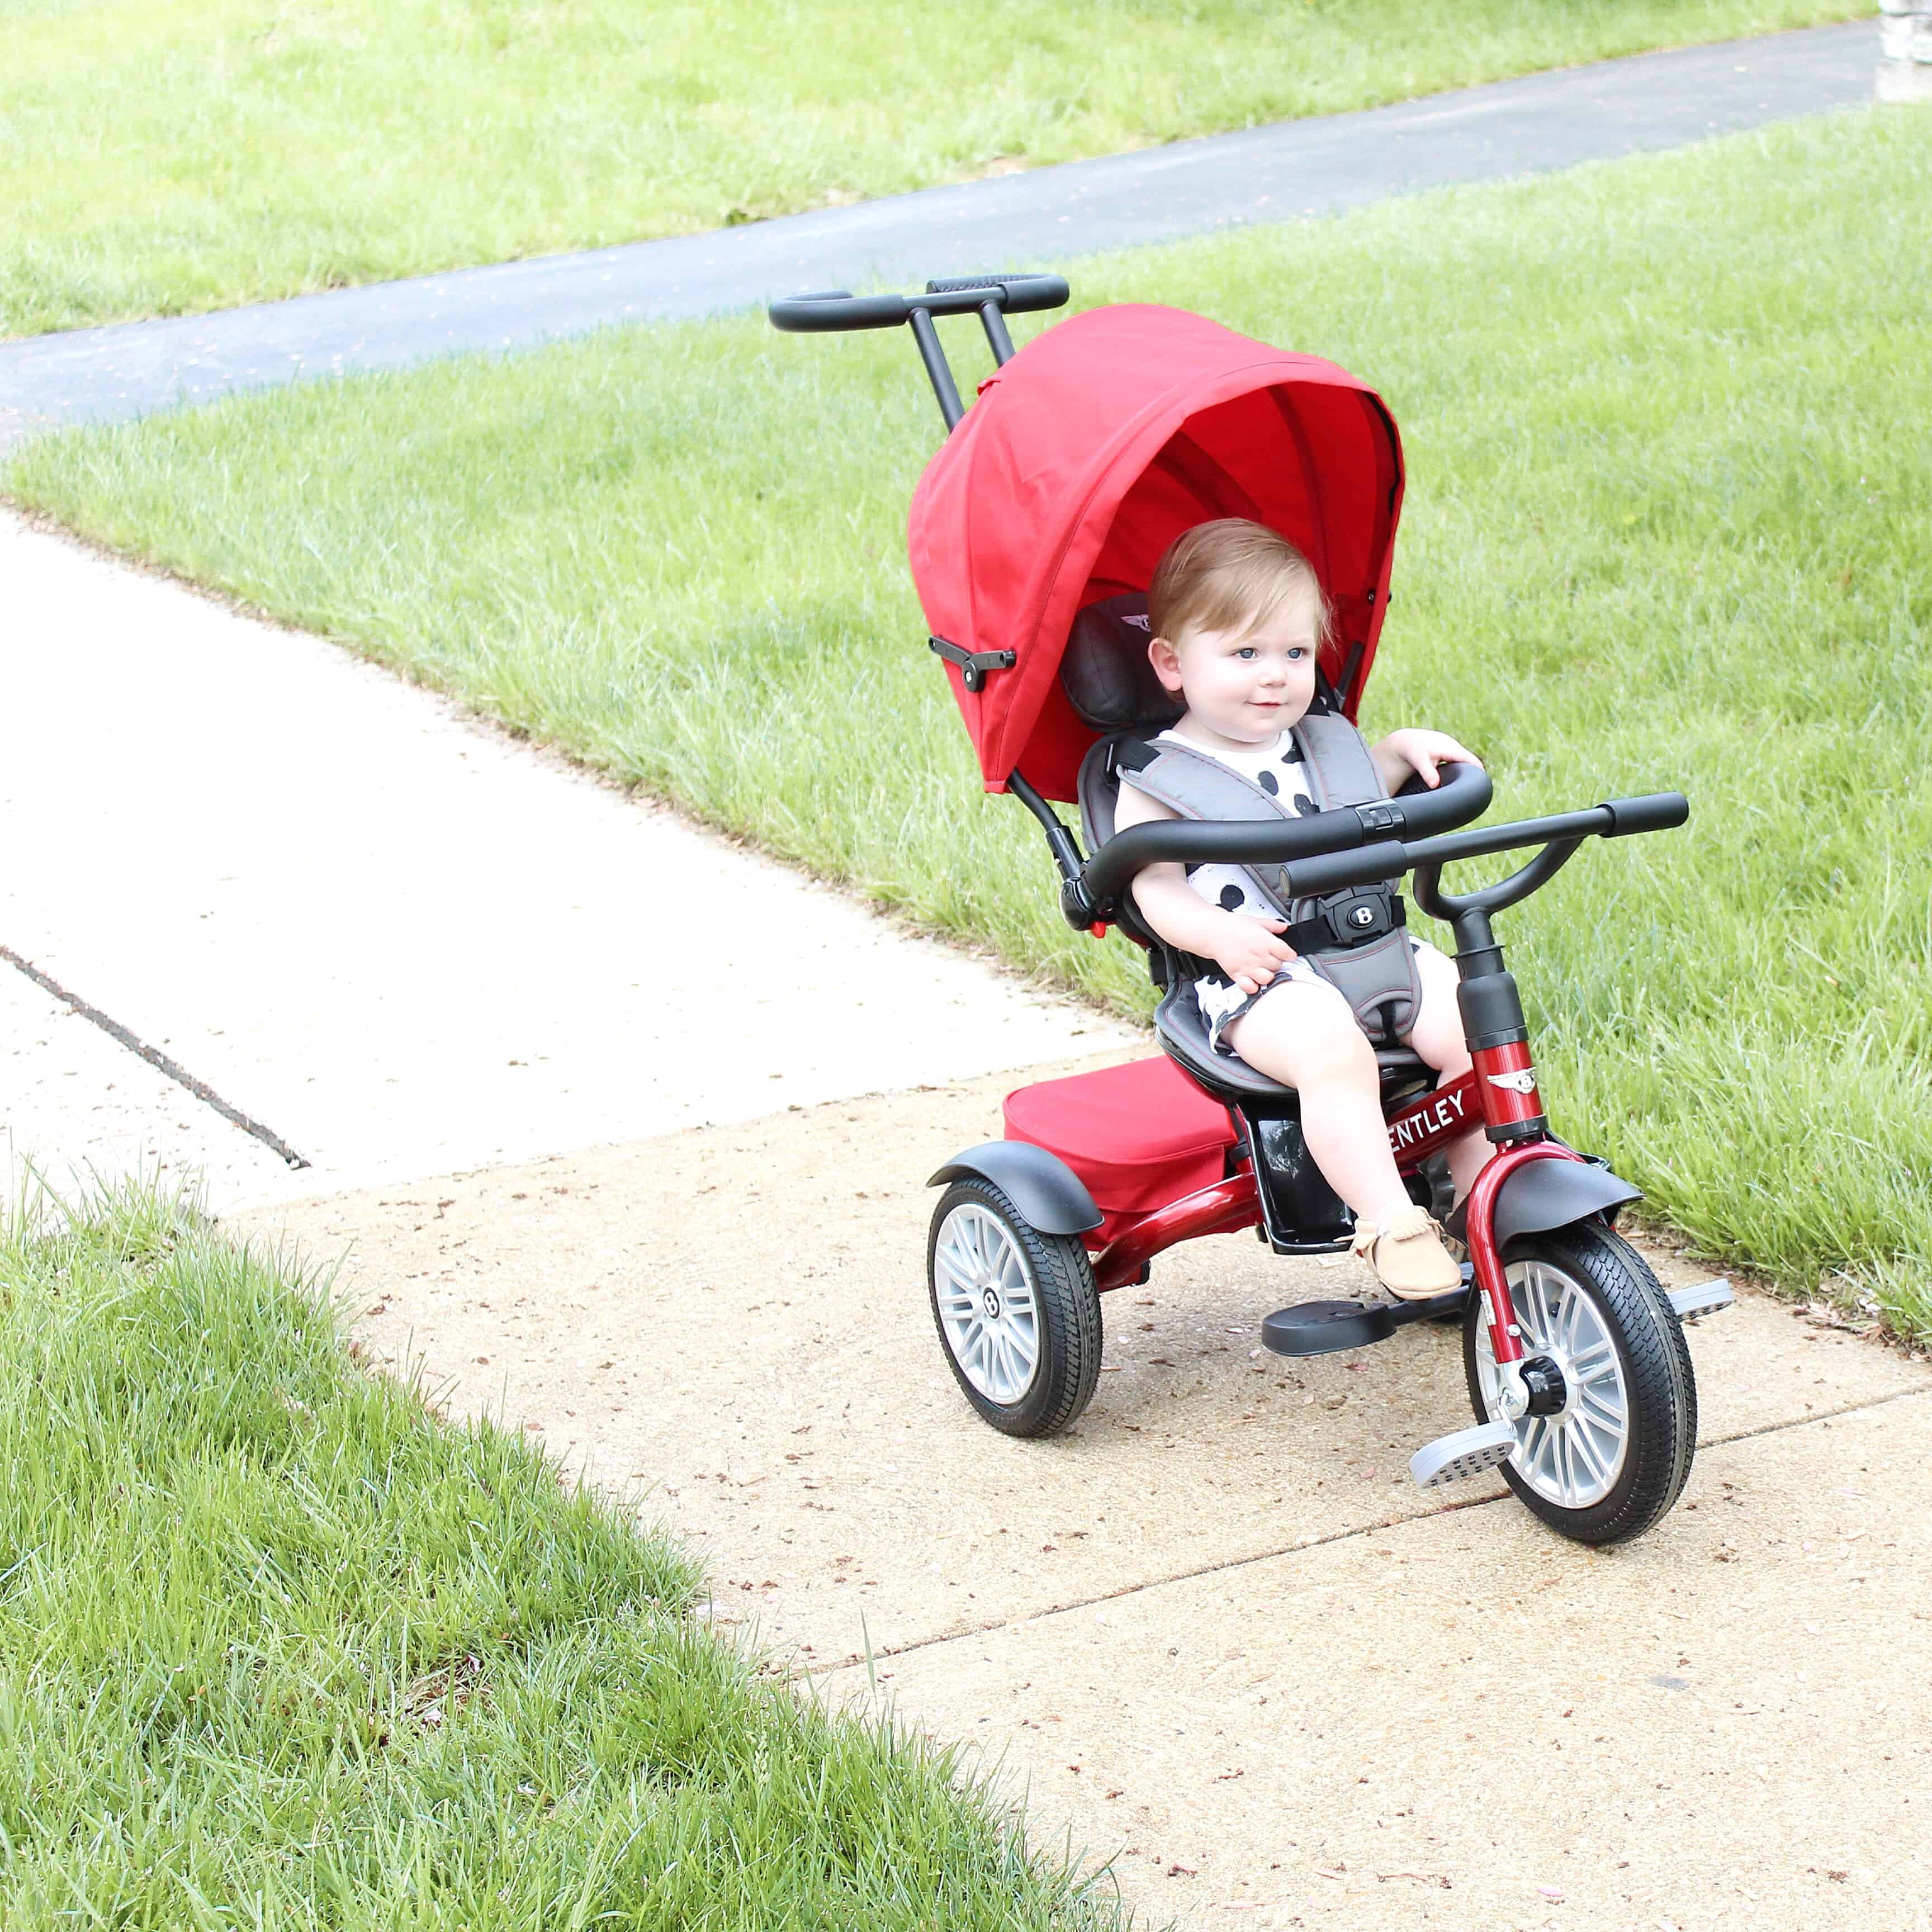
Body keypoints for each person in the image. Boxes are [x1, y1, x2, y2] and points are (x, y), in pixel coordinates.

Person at [1111, 519, 1488, 1297]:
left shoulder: (1321, 740)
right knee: (1332, 1054)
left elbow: (1362, 793)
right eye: (1244, 654)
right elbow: (1152, 888)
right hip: (1260, 978)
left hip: (1373, 954)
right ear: (1172, 664)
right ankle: (1390, 1219)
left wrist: (1399, 751)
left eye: (1294, 653)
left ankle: (1490, 1194)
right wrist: (1219, 937)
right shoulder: (1158, 776)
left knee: (1476, 1026)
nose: (1275, 676)